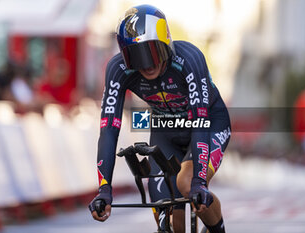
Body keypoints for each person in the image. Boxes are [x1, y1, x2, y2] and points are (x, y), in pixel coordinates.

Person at [89, 5, 231, 233]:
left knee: (185, 183)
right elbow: (108, 130)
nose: (147, 64)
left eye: (153, 53)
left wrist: (199, 183)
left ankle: (218, 229)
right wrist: (104, 189)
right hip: (165, 128)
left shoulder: (190, 58)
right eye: (137, 56)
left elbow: (199, 122)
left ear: (167, 44)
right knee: (164, 201)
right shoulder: (117, 69)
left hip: (208, 123)